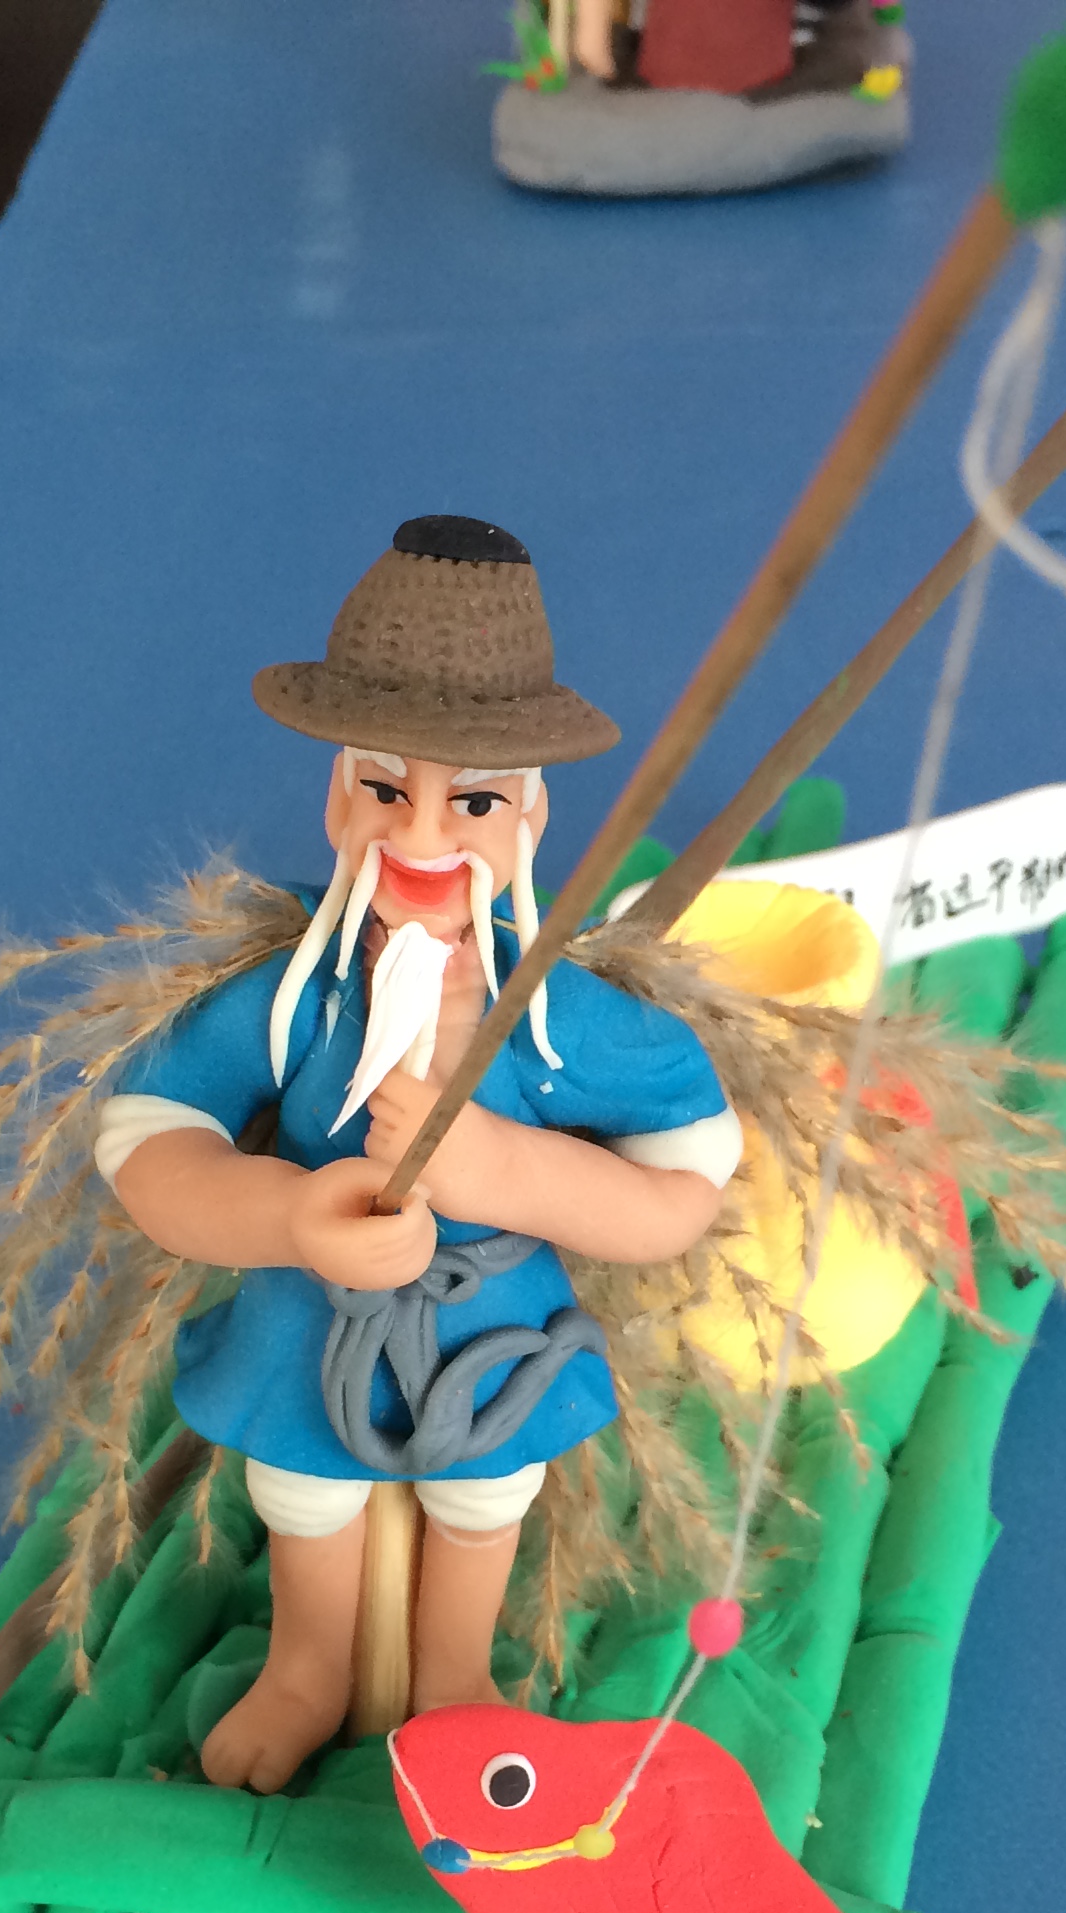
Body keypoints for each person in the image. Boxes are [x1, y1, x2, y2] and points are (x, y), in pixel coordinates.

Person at [96, 515, 739, 1794]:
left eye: (475, 801)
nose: (427, 836)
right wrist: (286, 1218)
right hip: (308, 1318)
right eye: (390, 791)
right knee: (305, 1496)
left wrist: (509, 1173)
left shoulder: (554, 1019)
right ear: (342, 797)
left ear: (529, 813)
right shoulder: (293, 1001)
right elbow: (146, 1133)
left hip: (489, 1329)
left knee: (485, 1495)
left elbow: (689, 1178)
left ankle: (455, 1674)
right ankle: (306, 1666)